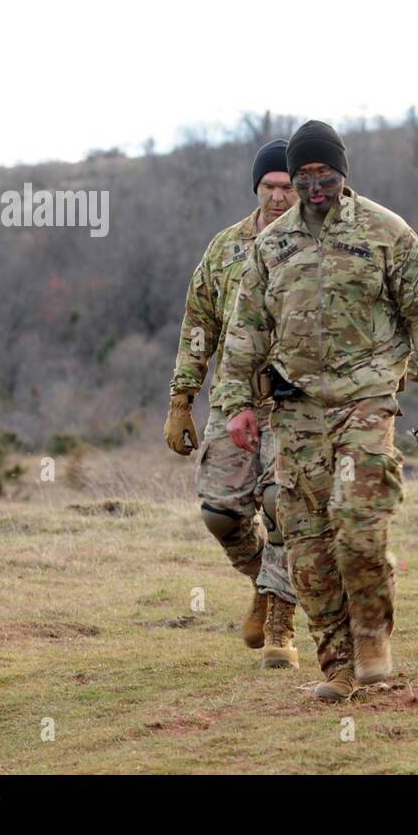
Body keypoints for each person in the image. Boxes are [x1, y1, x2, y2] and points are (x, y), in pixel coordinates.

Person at [213, 121, 418, 701]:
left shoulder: (387, 233)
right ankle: (338, 666)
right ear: (292, 180)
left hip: (366, 401)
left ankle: (373, 640)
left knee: (360, 525)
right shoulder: (271, 247)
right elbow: (245, 329)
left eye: (325, 175)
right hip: (295, 411)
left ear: (343, 174)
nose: (315, 186)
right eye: (305, 177)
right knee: (310, 543)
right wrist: (236, 405)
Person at [164, 138, 300, 667]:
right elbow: (200, 325)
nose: (278, 197)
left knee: (281, 506)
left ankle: (281, 628)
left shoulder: (316, 245)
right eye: (269, 187)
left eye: (287, 187)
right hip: (234, 398)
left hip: (294, 401)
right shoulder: (225, 249)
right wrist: (182, 399)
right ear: (256, 188)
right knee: (220, 513)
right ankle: (263, 582)